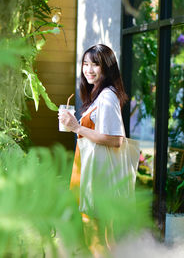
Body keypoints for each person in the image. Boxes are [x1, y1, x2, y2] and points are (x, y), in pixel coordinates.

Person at [58, 44, 129, 257]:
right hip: (95, 176)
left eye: (95, 64)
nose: (88, 69)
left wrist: (77, 127)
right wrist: (76, 127)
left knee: (97, 240)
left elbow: (116, 140)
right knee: (103, 238)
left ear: (106, 68)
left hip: (100, 180)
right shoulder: (100, 96)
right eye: (85, 64)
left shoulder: (107, 97)